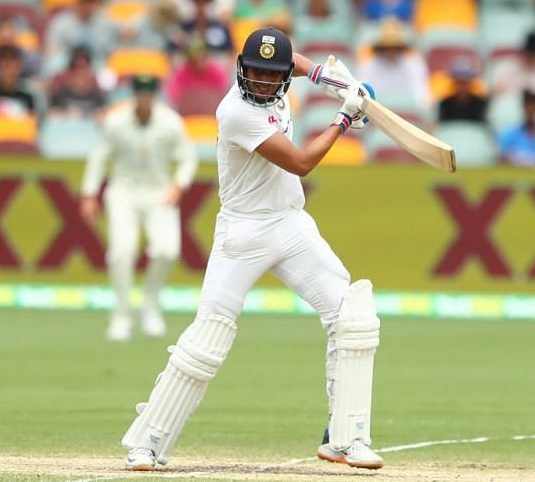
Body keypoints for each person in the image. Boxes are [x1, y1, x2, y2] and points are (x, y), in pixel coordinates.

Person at [120, 28, 384, 472]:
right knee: (208, 338)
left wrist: (328, 77)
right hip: (243, 235)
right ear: (241, 69)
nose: (263, 82)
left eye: (272, 74)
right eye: (255, 72)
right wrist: (344, 118)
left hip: (291, 224)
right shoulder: (236, 112)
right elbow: (301, 162)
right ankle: (148, 442)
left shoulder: (281, 73)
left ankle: (346, 438)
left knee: (352, 315)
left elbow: (296, 61)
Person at [80, 74, 198, 342]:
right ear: (133, 96)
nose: (144, 100)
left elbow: (187, 158)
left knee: (167, 250)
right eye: (140, 95)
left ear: (154, 96)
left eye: (148, 95)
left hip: (160, 193)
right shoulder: (116, 123)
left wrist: (179, 185)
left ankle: (150, 305)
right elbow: (99, 158)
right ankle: (121, 315)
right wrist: (89, 194)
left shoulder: (170, 123)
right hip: (123, 193)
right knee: (122, 251)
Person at [498, 89, 535, 166]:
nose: (530, 110)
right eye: (527, 106)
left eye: (534, 106)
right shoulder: (509, 135)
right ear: (523, 108)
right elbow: (500, 160)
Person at [437, 57, 488, 123]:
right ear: (454, 83)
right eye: (459, 82)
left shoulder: (480, 104)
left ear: (470, 83)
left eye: (464, 82)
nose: (462, 86)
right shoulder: (445, 104)